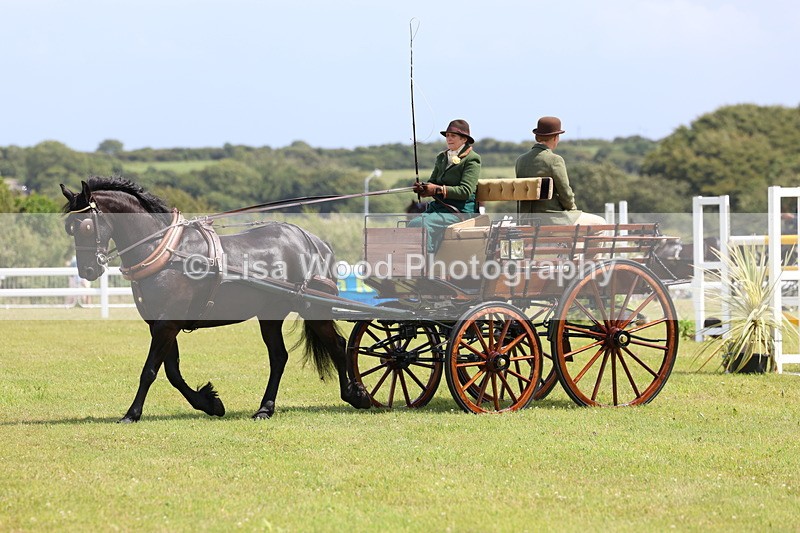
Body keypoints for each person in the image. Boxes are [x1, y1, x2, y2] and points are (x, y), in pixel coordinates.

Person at [515, 116, 605, 226]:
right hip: (552, 220)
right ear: (555, 138)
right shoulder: (555, 160)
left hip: (526, 221)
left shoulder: (520, 160)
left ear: (537, 137)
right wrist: (572, 209)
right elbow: (565, 192)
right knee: (600, 223)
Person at [409, 119, 481, 254]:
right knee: (413, 223)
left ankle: (427, 265)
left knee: (422, 224)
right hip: (439, 207)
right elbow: (432, 181)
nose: (449, 139)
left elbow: (465, 191)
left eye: (453, 136)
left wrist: (438, 189)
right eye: (447, 135)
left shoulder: (472, 159)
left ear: (464, 139)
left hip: (459, 210)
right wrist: (423, 188)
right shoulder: (442, 157)